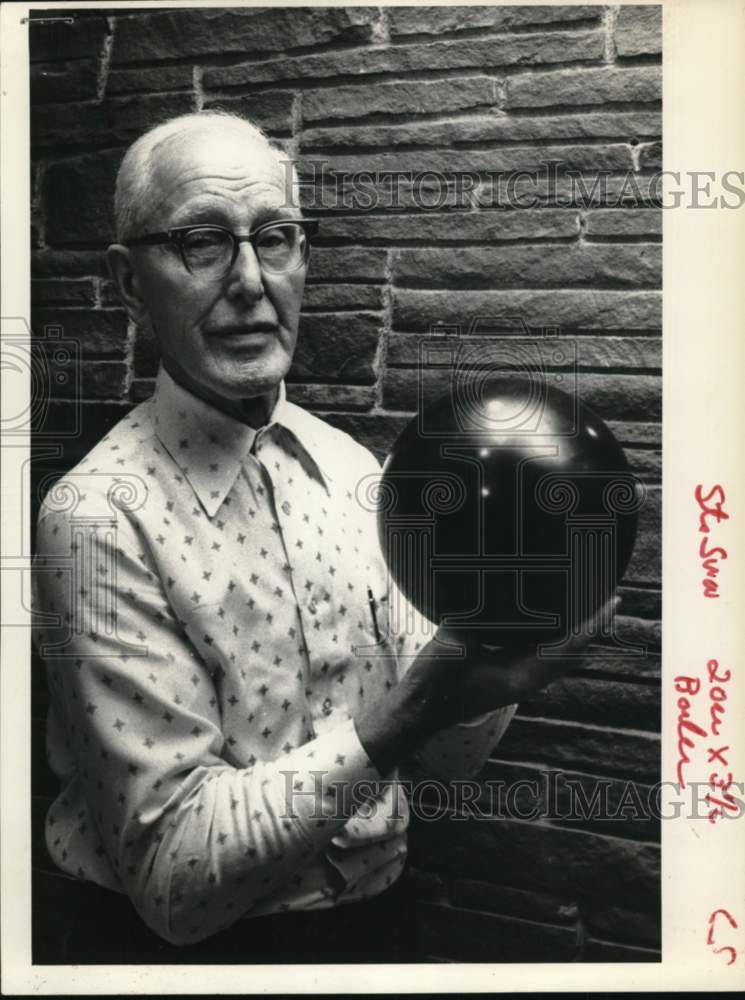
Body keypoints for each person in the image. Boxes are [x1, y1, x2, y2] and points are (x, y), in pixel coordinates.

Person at [33, 111, 616, 963]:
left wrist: (498, 654)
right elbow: (171, 885)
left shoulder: (355, 472)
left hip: (380, 929)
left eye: (274, 238)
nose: (248, 280)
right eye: (201, 241)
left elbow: (443, 759)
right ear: (128, 282)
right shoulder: (95, 519)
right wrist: (396, 721)